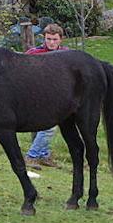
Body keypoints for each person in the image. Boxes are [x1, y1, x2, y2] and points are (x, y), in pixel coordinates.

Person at [24, 23, 66, 168]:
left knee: (44, 127)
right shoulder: (34, 53)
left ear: (61, 39)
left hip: (56, 97)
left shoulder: (66, 55)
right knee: (48, 127)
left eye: (55, 39)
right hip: (34, 96)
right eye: (49, 39)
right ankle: (32, 156)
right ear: (44, 38)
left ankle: (44, 155)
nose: (51, 42)